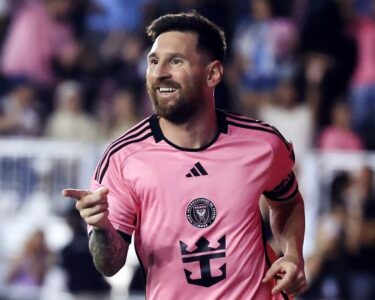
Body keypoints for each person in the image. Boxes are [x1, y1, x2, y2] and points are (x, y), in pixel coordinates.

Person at [63, 11, 307, 299]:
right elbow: (109, 264)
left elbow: (287, 201)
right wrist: (102, 227)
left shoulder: (262, 144)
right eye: (153, 62)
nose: (160, 72)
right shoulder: (123, 158)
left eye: (175, 61)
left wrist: (293, 254)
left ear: (212, 73)